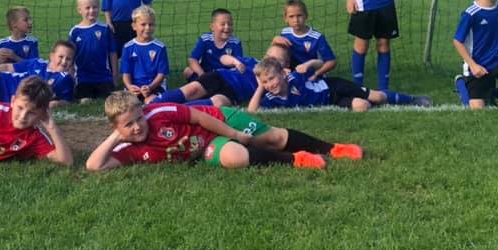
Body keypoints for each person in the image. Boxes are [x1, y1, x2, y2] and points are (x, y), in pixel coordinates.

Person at [85, 92, 364, 172]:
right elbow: (93, 166)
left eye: (139, 118)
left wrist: (234, 132)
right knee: (236, 158)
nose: (137, 126)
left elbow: (199, 117)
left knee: (272, 137)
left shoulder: (158, 112)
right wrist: (115, 137)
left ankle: (333, 148)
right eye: (128, 125)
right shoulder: (128, 148)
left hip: (218, 120)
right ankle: (296, 159)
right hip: (207, 145)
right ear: (116, 127)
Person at [249, 56, 430, 111]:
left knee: (378, 96)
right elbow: (252, 111)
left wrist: (309, 64)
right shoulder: (271, 98)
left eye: (272, 78)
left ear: (282, 74)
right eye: (265, 82)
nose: (270, 84)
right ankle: (368, 101)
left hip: (334, 86)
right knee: (362, 107)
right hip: (332, 101)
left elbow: (320, 63)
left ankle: (411, 99)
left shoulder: (294, 78)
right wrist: (260, 88)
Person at [271, 0, 337, 80]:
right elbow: (277, 53)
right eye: (291, 16)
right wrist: (274, 41)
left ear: (306, 16)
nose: (296, 20)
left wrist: (316, 74)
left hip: (311, 73)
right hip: (291, 72)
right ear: (285, 18)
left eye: (299, 15)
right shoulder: (285, 33)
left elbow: (332, 62)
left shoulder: (317, 38)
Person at [69, 0, 116, 101]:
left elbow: (112, 52)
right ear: (79, 10)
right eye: (87, 8)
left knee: (109, 98)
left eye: (95, 7)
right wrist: (71, 78)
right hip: (83, 77)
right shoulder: (75, 32)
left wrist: (115, 74)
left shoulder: (105, 29)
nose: (92, 10)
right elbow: (70, 57)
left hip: (103, 76)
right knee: (85, 100)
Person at [120, 5, 169, 100]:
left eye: (151, 24)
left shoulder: (160, 47)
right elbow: (126, 73)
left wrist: (150, 87)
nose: (147, 28)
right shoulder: (128, 47)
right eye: (143, 24)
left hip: (154, 85)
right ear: (134, 26)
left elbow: (162, 74)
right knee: (128, 104)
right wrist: (129, 86)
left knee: (150, 101)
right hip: (134, 86)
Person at [183, 8, 244, 81]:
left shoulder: (235, 43)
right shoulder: (205, 39)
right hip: (206, 73)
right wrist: (202, 75)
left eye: (230, 24)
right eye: (223, 24)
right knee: (188, 71)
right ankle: (202, 84)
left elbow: (238, 64)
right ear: (212, 27)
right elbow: (193, 60)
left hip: (225, 76)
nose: (227, 27)